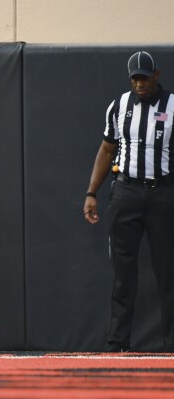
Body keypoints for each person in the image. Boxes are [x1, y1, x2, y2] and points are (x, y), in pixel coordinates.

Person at [84, 51, 174, 352]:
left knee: (167, 270)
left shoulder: (173, 106)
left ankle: (171, 343)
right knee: (123, 272)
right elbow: (107, 149)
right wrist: (91, 192)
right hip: (125, 192)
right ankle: (118, 342)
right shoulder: (119, 106)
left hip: (163, 193)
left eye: (145, 78)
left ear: (157, 75)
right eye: (135, 78)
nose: (140, 84)